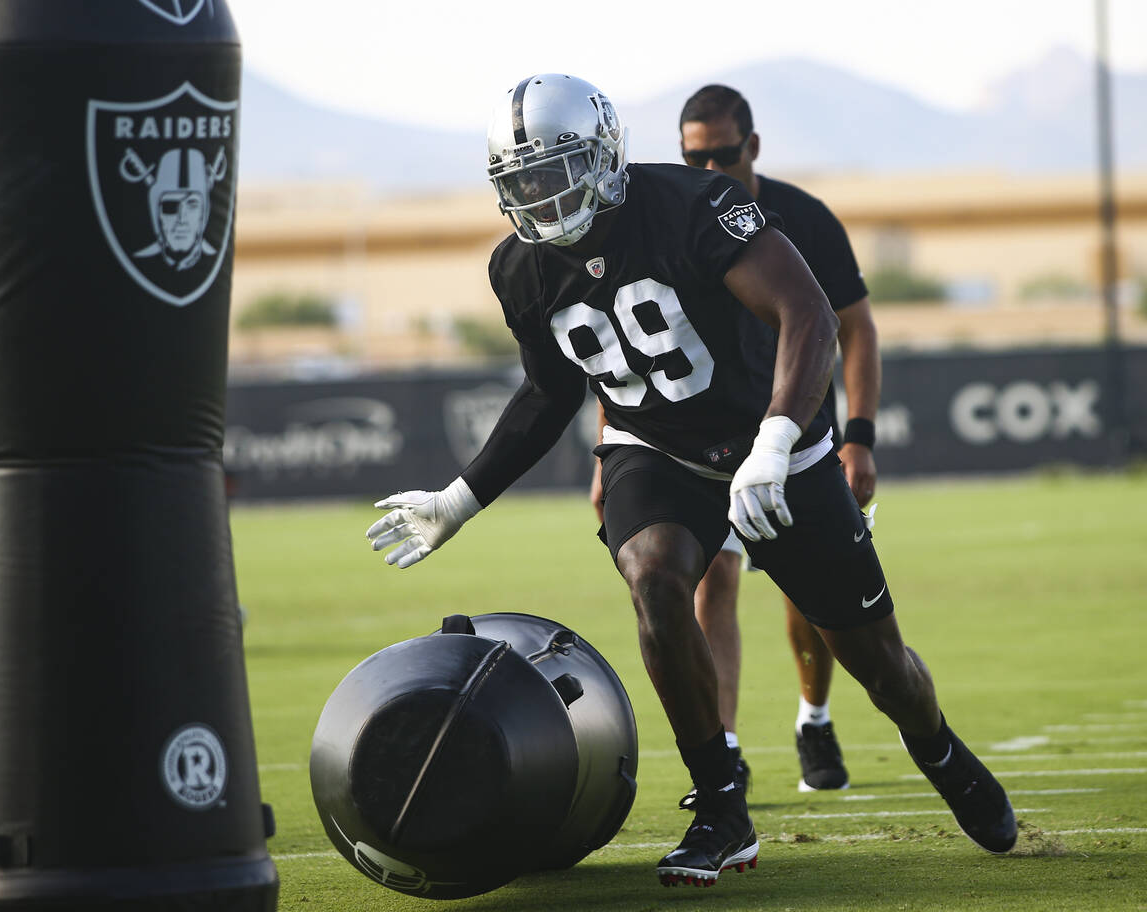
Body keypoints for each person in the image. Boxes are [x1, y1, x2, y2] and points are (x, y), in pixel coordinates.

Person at [366, 73, 1017, 887]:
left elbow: (808, 312)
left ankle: (942, 752)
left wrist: (777, 442)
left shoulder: (691, 208)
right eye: (522, 179)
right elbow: (550, 390)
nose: (540, 192)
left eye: (555, 168)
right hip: (656, 448)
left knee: (878, 663)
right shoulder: (521, 270)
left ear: (604, 155)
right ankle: (722, 805)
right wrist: (458, 500)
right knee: (655, 574)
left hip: (780, 447)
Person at [590, 83, 880, 799]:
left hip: (795, 435)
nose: (710, 168)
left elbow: (853, 327)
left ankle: (814, 715)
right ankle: (724, 750)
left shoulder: (803, 219)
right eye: (696, 155)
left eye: (723, 152)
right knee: (708, 580)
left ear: (752, 145)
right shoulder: (674, 217)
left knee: (806, 597)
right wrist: (609, 446)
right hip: (700, 443)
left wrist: (860, 438)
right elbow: (633, 354)